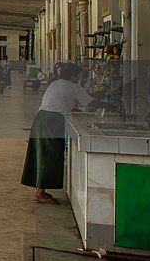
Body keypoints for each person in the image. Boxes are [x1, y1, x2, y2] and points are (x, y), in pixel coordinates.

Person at [21, 63, 95, 204]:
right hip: (52, 122)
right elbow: (91, 102)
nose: (79, 79)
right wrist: (112, 106)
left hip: (40, 119)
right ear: (73, 76)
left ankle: (39, 189)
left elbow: (62, 103)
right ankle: (40, 193)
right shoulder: (73, 86)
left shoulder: (55, 84)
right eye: (78, 76)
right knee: (50, 155)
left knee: (40, 154)